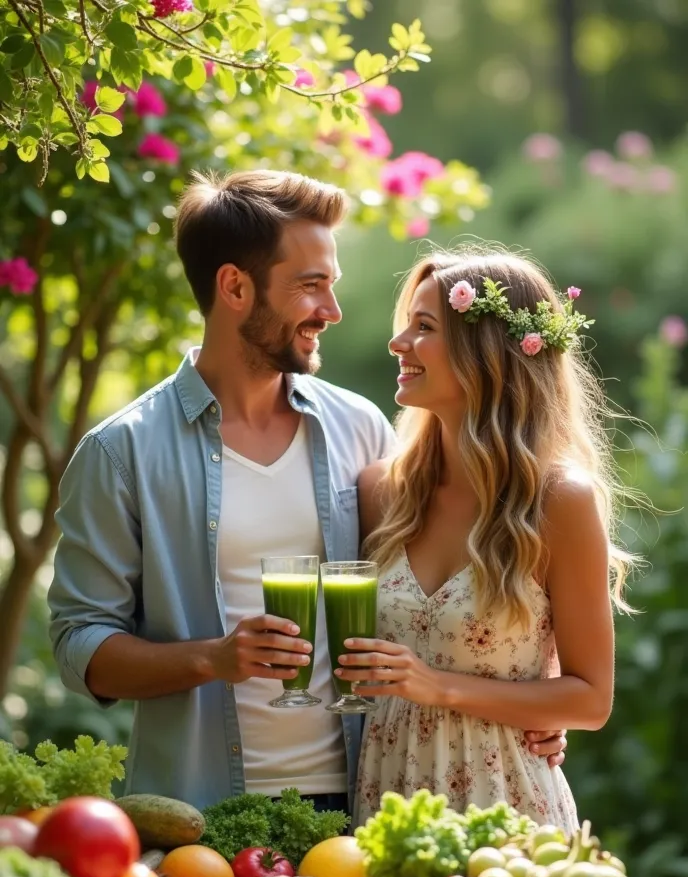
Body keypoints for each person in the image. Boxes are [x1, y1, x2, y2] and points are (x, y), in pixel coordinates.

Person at [47, 171, 566, 814]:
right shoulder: (121, 453)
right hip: (201, 808)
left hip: (370, 795)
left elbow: (450, 586)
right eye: (310, 285)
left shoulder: (360, 429)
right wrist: (212, 659)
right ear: (235, 286)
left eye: (332, 284)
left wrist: (536, 698)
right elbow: (80, 645)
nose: (332, 310)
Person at [337, 249, 633, 832]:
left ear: (486, 355)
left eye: (423, 329)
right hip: (385, 802)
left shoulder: (557, 501)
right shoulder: (381, 492)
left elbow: (590, 700)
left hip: (508, 810)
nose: (398, 343)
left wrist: (439, 686)